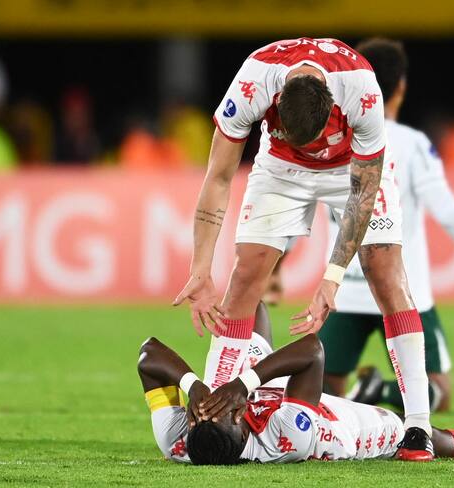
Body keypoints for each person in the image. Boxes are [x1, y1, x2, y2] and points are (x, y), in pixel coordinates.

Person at [172, 38, 438, 459]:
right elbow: (218, 177)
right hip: (281, 168)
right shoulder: (251, 82)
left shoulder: (362, 89)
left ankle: (418, 425)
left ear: (334, 109)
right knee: (245, 275)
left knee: (385, 272)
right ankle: (212, 414)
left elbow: (363, 194)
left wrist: (331, 276)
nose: (309, 149)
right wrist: (201, 269)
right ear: (274, 105)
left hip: (349, 167)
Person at [319, 39, 454, 412]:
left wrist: (279, 266)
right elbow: (451, 215)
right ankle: (379, 394)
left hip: (347, 289)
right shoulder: (412, 144)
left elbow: (301, 201)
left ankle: (358, 410)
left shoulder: (332, 140)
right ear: (402, 86)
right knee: (438, 392)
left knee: (325, 391)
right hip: (404, 290)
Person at [137, 303, 454, 465]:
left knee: (246, 304)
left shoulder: (176, 440)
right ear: (240, 419)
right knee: (414, 435)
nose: (212, 407)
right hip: (338, 428)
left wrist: (193, 386)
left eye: (200, 415)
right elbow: (313, 351)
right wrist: (244, 383)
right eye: (221, 411)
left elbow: (148, 353)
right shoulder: (286, 438)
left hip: (268, 396)